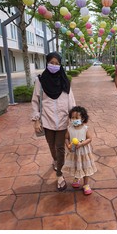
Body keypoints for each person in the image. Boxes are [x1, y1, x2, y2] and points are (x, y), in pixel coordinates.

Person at [31, 52, 76, 191]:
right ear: (47, 63)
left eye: (57, 63)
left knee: (60, 147)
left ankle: (60, 175)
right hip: (47, 120)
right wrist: (36, 120)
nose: (54, 66)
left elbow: (71, 100)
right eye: (52, 63)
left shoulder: (65, 80)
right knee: (52, 146)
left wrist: (75, 119)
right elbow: (35, 101)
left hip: (63, 120)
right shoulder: (40, 80)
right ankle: (56, 161)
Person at [62, 106, 97, 195]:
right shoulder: (69, 128)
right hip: (74, 152)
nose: (74, 120)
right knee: (76, 165)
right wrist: (68, 146)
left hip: (83, 152)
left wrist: (81, 144)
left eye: (76, 118)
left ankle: (86, 184)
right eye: (72, 118)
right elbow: (66, 138)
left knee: (85, 167)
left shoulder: (85, 128)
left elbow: (89, 139)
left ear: (83, 118)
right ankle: (77, 179)